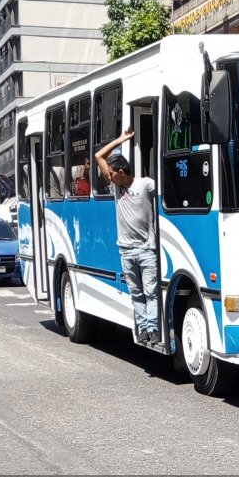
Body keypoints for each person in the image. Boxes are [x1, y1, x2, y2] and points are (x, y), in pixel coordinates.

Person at [95, 128, 159, 345]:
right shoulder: (116, 188)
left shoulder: (146, 184)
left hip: (146, 249)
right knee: (137, 294)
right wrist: (121, 139)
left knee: (151, 293)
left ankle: (153, 329)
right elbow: (98, 157)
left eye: (112, 174)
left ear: (121, 172)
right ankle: (143, 329)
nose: (109, 177)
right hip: (126, 251)